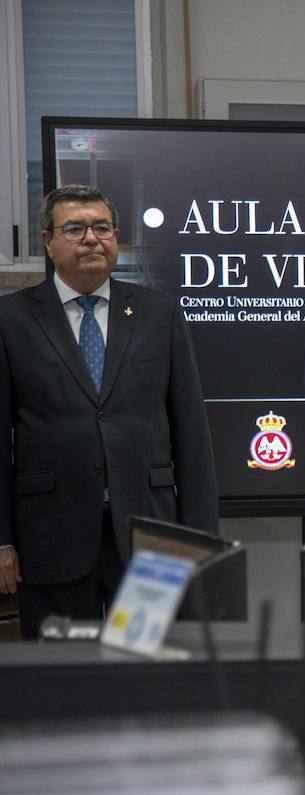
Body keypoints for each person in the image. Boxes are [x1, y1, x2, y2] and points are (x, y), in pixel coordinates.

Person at [0, 185, 217, 638]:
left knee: (145, 672)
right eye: (75, 229)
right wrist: (3, 540)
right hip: (49, 536)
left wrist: (201, 539)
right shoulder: (12, 319)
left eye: (102, 228)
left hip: (150, 537)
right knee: (59, 682)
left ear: (116, 238)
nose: (91, 239)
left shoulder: (159, 314)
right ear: (48, 241)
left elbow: (191, 434)